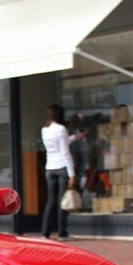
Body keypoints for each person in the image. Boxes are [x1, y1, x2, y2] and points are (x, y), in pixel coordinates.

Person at [40, 103, 75, 240]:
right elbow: (65, 152)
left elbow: (56, 146)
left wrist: (74, 138)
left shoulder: (45, 129)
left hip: (50, 167)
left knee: (50, 201)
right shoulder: (61, 129)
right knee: (62, 201)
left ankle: (45, 232)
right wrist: (72, 173)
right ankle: (62, 232)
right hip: (61, 166)